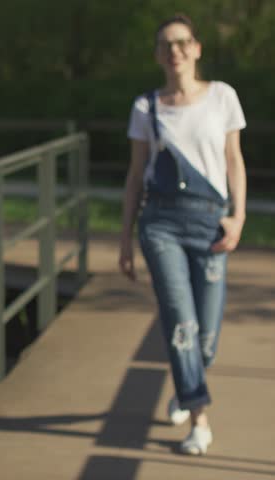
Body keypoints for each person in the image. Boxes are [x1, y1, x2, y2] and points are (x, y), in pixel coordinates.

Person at [119, 14, 247, 456]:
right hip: (161, 225)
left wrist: (238, 216)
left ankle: (187, 385)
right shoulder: (145, 108)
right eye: (165, 45)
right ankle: (199, 418)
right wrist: (124, 240)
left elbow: (234, 161)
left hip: (211, 221)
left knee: (206, 336)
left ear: (196, 48)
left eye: (182, 42)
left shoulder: (223, 98)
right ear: (158, 55)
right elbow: (135, 176)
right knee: (181, 323)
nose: (174, 50)